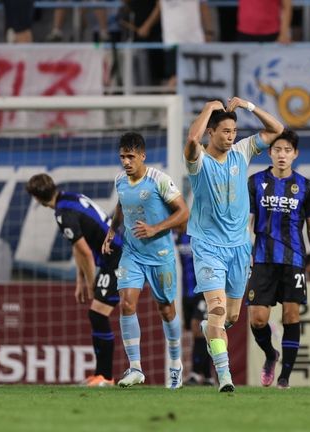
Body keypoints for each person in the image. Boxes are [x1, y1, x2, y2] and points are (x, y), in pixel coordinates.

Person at [184, 98, 284, 392]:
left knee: (232, 317)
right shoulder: (198, 160)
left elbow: (277, 128)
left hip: (240, 247)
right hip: (208, 246)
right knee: (216, 310)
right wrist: (207, 109)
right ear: (211, 132)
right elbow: (191, 138)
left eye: (234, 131)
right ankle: (224, 377)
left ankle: (209, 330)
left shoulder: (242, 151)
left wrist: (249, 107)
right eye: (225, 131)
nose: (231, 137)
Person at [102, 132, 189, 390]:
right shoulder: (120, 181)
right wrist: (112, 230)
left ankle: (175, 364)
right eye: (122, 157)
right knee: (127, 304)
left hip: (160, 255)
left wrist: (155, 228)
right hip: (132, 253)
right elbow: (121, 206)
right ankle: (136, 367)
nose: (126, 162)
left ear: (142, 156)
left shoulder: (159, 180)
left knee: (166, 309)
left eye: (131, 157)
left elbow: (184, 214)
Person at [26, 173, 122, 387]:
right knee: (96, 314)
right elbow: (79, 246)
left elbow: (86, 253)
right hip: (113, 256)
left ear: (36, 197)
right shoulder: (70, 198)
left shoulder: (63, 214)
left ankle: (105, 377)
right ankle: (101, 376)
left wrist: (90, 283)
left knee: (97, 314)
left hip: (118, 257)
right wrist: (81, 281)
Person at [247, 129, 310, 390]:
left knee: (291, 315)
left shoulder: (305, 187)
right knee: (257, 318)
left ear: (295, 154)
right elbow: (247, 222)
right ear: (270, 152)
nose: (282, 155)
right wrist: (246, 252)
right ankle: (271, 354)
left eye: (287, 150)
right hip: (262, 258)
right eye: (277, 150)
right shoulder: (255, 182)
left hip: (294, 260)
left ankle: (284, 379)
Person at [176, 232, 214, 386]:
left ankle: (195, 373)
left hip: (203, 290)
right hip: (186, 292)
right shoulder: (176, 236)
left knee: (199, 328)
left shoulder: (202, 233)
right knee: (196, 333)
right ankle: (207, 376)